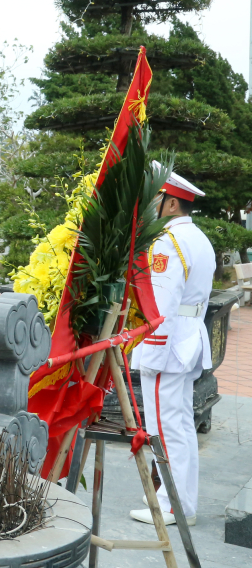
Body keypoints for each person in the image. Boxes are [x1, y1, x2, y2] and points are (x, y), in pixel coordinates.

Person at [129, 166, 214, 527]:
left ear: (172, 204)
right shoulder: (197, 237)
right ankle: (183, 503)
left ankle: (171, 505)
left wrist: (151, 349)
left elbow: (160, 304)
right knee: (178, 425)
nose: (151, 205)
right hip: (188, 336)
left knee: (165, 427)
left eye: (156, 199)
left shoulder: (167, 241)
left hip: (168, 343)